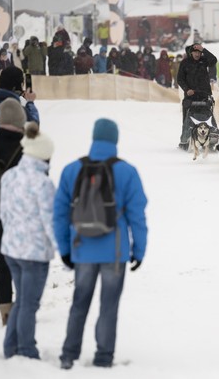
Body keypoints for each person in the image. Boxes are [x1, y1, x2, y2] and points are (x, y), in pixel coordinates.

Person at [54, 118, 148, 369]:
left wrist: (64, 249)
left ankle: (68, 354)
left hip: (82, 248)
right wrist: (139, 250)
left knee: (79, 302)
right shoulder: (127, 171)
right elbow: (138, 215)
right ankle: (103, 356)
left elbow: (60, 213)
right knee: (109, 305)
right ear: (115, 140)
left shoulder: (72, 169)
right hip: (115, 252)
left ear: (93, 137)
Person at [0, 122, 56, 360]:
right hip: (34, 253)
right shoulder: (43, 183)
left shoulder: (9, 176)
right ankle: (26, 349)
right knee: (29, 304)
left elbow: (3, 212)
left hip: (11, 249)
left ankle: (11, 346)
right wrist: (65, 251)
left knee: (21, 300)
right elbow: (50, 222)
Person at [0, 97, 29, 325]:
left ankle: (5, 312)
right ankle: (22, 307)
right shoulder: (26, 147)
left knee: (2, 263)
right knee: (19, 261)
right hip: (18, 210)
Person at [176, 43, 217, 150]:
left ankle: (211, 136)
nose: (197, 54)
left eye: (199, 52)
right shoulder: (185, 63)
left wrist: (204, 50)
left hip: (204, 94)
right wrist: (187, 89)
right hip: (191, 95)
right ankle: (185, 140)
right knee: (187, 118)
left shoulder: (204, 61)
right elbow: (180, 79)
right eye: (195, 52)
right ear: (191, 53)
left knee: (207, 115)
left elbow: (214, 60)